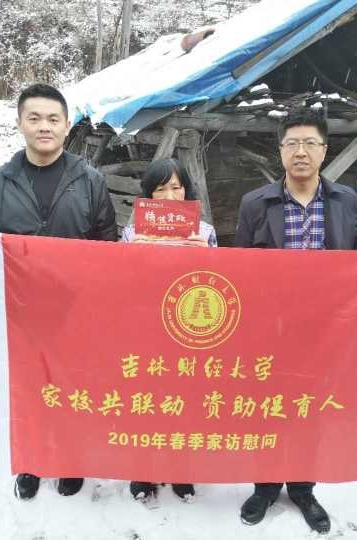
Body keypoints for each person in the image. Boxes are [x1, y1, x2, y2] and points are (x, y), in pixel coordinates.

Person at [234, 108, 357, 533]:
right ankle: (264, 486)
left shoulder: (343, 200)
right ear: (280, 150)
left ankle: (302, 488)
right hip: (273, 329)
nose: (301, 152)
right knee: (267, 407)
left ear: (324, 150)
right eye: (293, 143)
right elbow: (241, 264)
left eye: (310, 143)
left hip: (326, 330)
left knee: (311, 408)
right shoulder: (255, 203)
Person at [0, 83, 117, 500]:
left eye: (53, 119)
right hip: (21, 307)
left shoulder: (90, 179)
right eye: (34, 118)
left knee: (73, 384)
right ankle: (31, 461)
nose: (44, 127)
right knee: (28, 387)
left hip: (75, 307)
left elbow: (107, 240)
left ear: (67, 126)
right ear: (19, 124)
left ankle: (70, 459)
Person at [121, 158, 217, 501]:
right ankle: (143, 470)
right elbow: (118, 283)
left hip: (187, 329)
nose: (170, 196)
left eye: (176, 187)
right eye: (160, 189)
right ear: (149, 195)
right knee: (145, 401)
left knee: (184, 401)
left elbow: (218, 281)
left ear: (187, 191)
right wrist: (133, 255)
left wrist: (207, 255)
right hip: (145, 329)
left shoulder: (204, 231)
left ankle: (181, 469)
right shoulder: (132, 232)